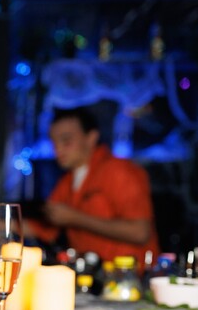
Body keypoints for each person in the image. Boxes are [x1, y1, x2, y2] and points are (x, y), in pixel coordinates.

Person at [27, 106, 160, 270]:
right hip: (91, 274)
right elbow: (45, 228)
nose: (58, 150)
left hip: (130, 275)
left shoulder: (119, 171)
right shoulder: (67, 181)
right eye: (54, 143)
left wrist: (76, 218)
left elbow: (140, 232)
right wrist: (0, 221)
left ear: (91, 138)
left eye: (66, 141)